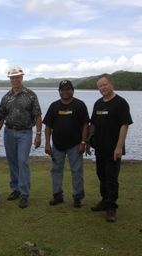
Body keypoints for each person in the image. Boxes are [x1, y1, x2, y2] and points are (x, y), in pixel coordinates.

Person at [88, 73, 133, 223]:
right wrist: (88, 141)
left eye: (104, 85)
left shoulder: (120, 103)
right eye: (99, 86)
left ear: (111, 84)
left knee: (111, 178)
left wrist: (119, 147)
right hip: (99, 148)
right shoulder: (98, 103)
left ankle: (111, 208)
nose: (102, 88)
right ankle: (104, 201)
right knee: (102, 176)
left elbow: (124, 125)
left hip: (114, 149)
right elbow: (92, 124)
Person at [0, 65, 42, 208]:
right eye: (12, 77)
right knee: (12, 162)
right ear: (10, 79)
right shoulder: (6, 97)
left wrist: (38, 135)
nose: (15, 79)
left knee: (22, 161)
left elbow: (37, 115)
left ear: (22, 77)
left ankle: (24, 194)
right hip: (9, 132)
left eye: (17, 77)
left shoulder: (30, 95)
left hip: (25, 133)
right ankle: (15, 189)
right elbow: (0, 117)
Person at [43, 80, 89, 208]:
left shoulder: (80, 105)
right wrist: (47, 144)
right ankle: (57, 195)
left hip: (75, 144)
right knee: (56, 170)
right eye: (62, 89)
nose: (65, 92)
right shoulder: (54, 106)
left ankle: (77, 197)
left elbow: (86, 124)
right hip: (57, 145)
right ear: (59, 91)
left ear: (72, 90)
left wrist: (83, 142)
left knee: (77, 171)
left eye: (68, 89)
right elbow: (48, 126)